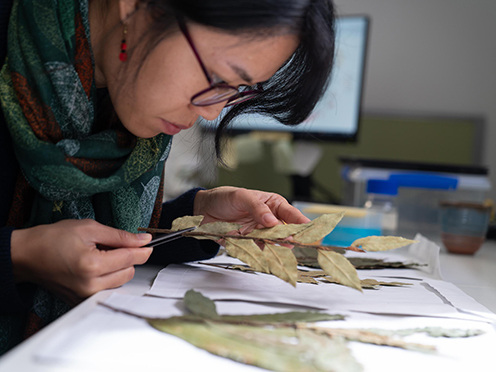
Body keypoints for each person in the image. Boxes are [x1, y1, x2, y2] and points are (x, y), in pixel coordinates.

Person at [0, 0, 336, 354]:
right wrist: (19, 256)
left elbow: (90, 228)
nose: (210, 111)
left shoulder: (126, 101)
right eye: (216, 77)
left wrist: (197, 219)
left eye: (237, 89)